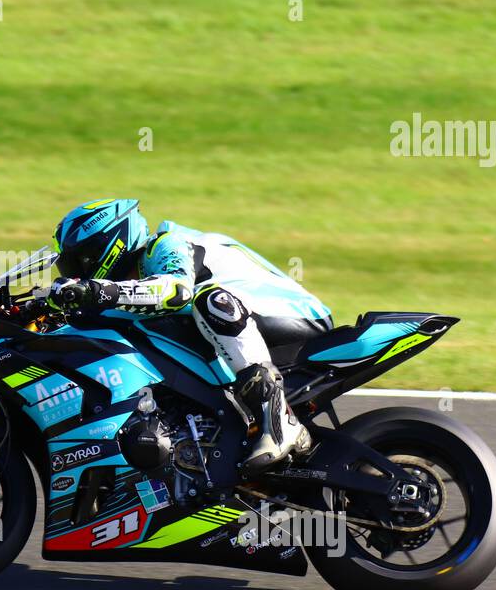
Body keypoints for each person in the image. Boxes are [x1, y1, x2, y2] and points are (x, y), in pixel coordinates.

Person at [45, 198, 331, 473]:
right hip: (247, 326)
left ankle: (280, 422)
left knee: (210, 300)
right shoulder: (134, 281)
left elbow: (176, 292)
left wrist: (97, 291)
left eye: (78, 262)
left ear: (110, 246)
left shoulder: (165, 243)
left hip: (292, 315)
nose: (77, 274)